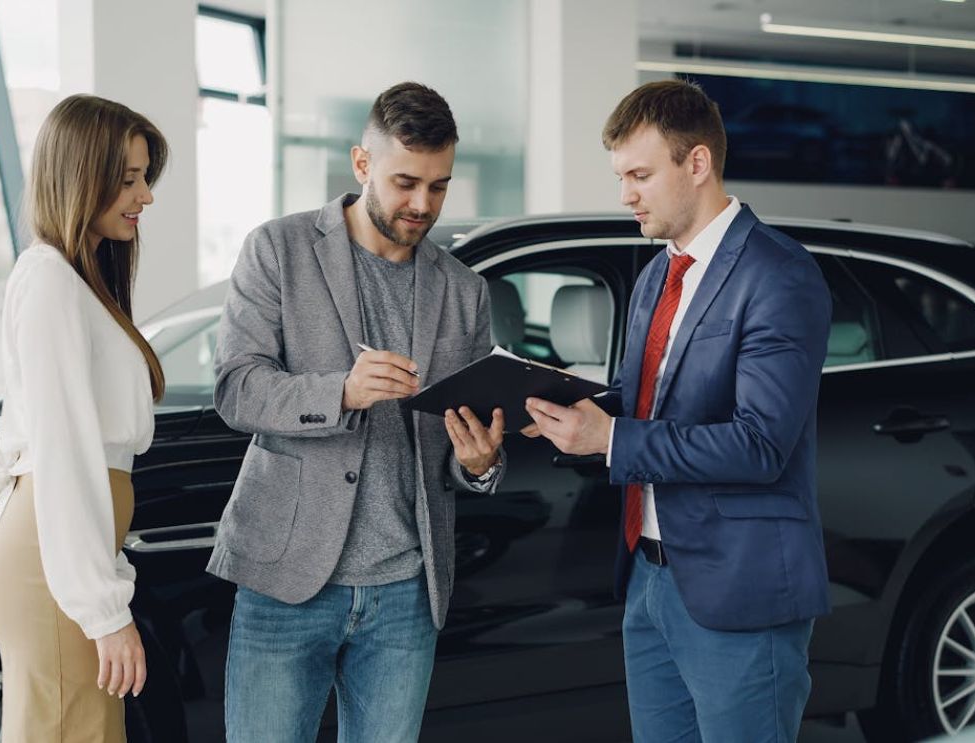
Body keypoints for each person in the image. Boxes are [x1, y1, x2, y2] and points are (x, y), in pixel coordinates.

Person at [523, 80, 832, 742]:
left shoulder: (778, 274)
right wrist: (564, 408)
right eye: (620, 176)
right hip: (650, 581)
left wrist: (611, 438)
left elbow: (758, 445)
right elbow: (642, 404)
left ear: (696, 164)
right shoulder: (656, 276)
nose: (625, 194)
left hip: (737, 592)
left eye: (639, 174)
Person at [207, 81, 505, 743]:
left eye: (439, 186)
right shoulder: (276, 250)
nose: (422, 204)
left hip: (406, 589)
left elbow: (465, 442)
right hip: (287, 581)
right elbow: (236, 388)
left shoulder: (463, 291)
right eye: (405, 182)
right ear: (362, 163)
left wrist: (479, 463)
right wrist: (339, 391)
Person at [0, 94, 168, 742]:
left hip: (64, 549)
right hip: (52, 554)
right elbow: (64, 453)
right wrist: (104, 608)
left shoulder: (75, 280)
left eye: (145, 176)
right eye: (128, 179)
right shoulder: (51, 280)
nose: (144, 195)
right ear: (79, 175)